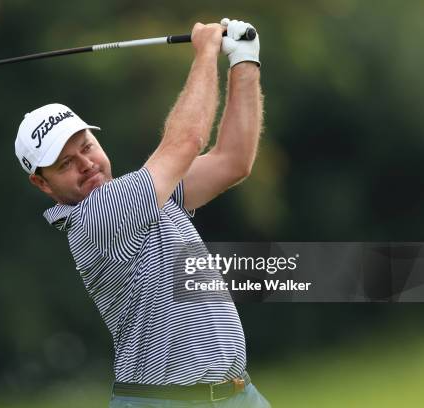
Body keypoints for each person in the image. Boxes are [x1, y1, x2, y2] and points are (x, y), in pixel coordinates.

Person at [14, 18, 269, 408]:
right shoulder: (97, 216)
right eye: (65, 164)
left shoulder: (150, 196)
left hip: (235, 395)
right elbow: (186, 141)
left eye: (87, 146)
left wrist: (244, 63)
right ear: (42, 184)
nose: (85, 164)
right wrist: (205, 52)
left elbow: (233, 161)